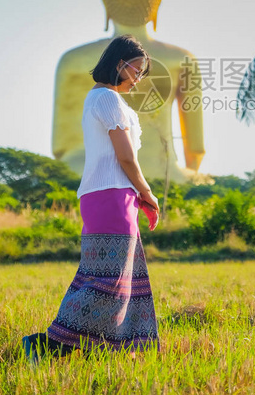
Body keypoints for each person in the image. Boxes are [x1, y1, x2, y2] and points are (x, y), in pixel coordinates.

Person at [22, 35, 161, 364]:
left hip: (113, 196)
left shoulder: (107, 100)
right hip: (111, 196)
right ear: (119, 65)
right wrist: (146, 191)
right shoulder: (106, 99)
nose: (139, 79)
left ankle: (78, 350)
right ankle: (46, 344)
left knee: (109, 278)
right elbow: (125, 157)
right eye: (137, 71)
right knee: (108, 282)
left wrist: (135, 194)